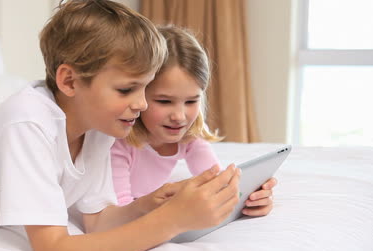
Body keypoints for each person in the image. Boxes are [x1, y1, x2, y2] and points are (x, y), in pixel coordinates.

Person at [0, 1, 241, 251]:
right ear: (69, 81)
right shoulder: (28, 123)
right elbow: (52, 248)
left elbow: (97, 221)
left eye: (145, 89)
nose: (142, 104)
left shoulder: (99, 127)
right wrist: (173, 221)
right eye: (127, 90)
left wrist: (150, 205)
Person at [111, 25, 276, 216]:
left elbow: (217, 183)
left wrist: (253, 199)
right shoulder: (118, 144)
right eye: (164, 101)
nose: (179, 116)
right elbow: (120, 212)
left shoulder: (190, 138)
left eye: (191, 101)